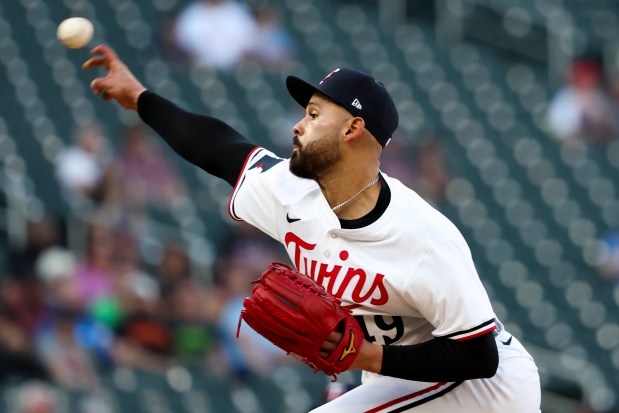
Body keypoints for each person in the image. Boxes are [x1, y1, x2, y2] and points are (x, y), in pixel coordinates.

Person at [83, 44, 541, 412]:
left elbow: (480, 357)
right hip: (400, 378)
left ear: (353, 129)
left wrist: (366, 357)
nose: (299, 125)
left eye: (315, 114)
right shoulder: (292, 193)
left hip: (486, 391)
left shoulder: (424, 238)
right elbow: (217, 147)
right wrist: (140, 97)